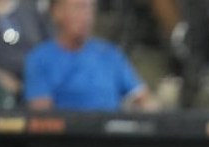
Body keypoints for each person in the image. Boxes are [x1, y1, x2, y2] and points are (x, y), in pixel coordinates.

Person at [23, 0, 156, 111]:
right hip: (66, 139)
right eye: (79, 8)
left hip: (111, 138)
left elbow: (142, 97)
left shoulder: (110, 54)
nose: (86, 17)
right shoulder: (40, 59)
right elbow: (42, 118)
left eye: (90, 9)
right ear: (57, 12)